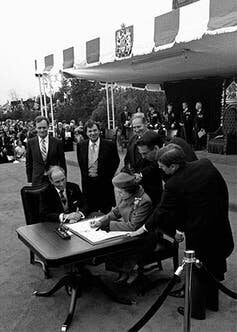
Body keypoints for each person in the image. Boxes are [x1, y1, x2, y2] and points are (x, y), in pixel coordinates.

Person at [130, 144, 234, 320]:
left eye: (162, 166)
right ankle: (212, 303)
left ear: (173, 166)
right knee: (213, 266)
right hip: (218, 225)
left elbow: (161, 211)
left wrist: (143, 228)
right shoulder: (205, 164)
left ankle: (196, 311)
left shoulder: (174, 184)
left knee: (196, 270)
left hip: (198, 232)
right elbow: (223, 192)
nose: (160, 168)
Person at [91, 172, 152, 283]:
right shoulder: (126, 195)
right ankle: (123, 271)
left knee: (116, 246)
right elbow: (116, 211)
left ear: (130, 190)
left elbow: (134, 226)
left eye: (120, 192)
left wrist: (109, 225)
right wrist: (101, 221)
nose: (119, 195)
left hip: (142, 237)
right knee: (109, 245)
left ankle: (131, 271)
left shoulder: (144, 201)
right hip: (128, 232)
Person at [77, 120, 120, 214]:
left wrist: (108, 176)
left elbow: (116, 161)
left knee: (105, 213)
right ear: (86, 133)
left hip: (105, 185)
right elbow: (81, 163)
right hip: (88, 186)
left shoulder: (110, 145)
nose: (93, 133)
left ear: (99, 131)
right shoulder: (81, 145)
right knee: (90, 213)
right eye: (90, 131)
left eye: (95, 130)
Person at [122, 114, 163, 206]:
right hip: (136, 185)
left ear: (146, 124)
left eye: (139, 126)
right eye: (134, 127)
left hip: (152, 185)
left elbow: (158, 161)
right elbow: (128, 158)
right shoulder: (133, 139)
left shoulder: (155, 138)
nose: (136, 130)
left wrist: (141, 175)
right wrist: (128, 171)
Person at [26, 116, 67, 186]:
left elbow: (62, 162)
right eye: (39, 128)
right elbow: (29, 162)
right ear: (35, 128)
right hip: (37, 179)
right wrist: (30, 179)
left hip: (54, 179)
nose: (42, 130)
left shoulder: (57, 142)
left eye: (44, 127)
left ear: (48, 127)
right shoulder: (30, 142)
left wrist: (64, 177)